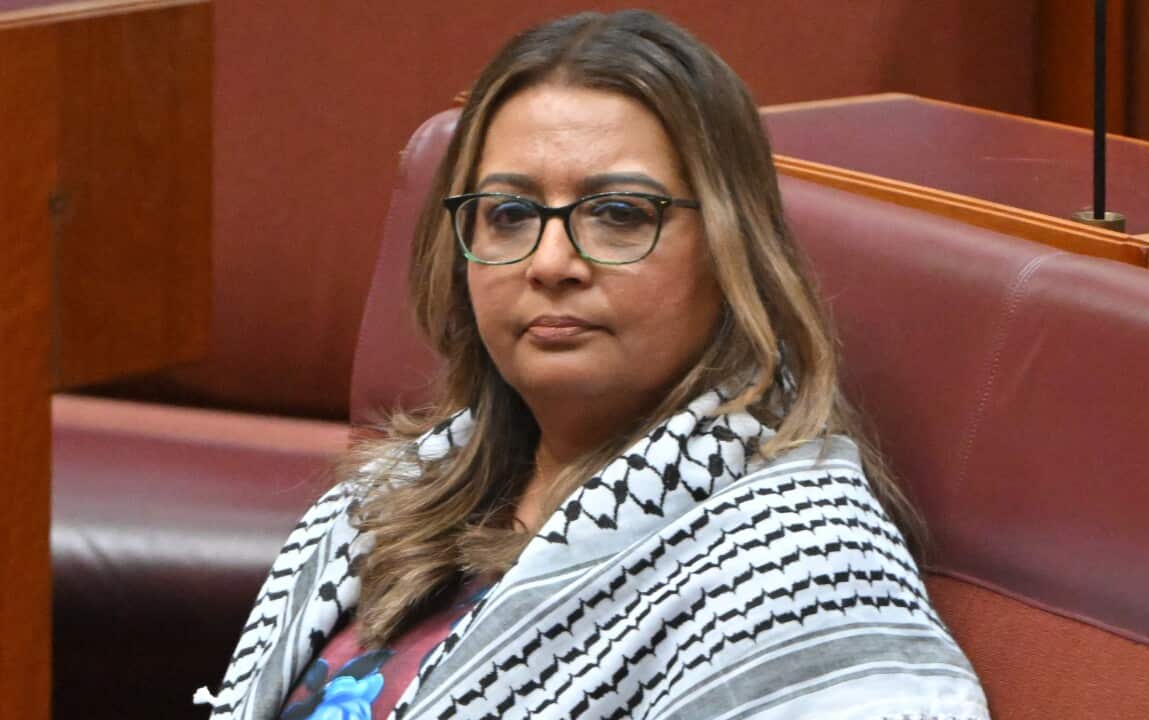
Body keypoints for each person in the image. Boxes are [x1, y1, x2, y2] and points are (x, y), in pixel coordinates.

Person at [199, 10, 988, 719]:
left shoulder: (803, 570)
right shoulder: (389, 498)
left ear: (729, 246)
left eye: (617, 215)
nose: (550, 262)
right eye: (508, 214)